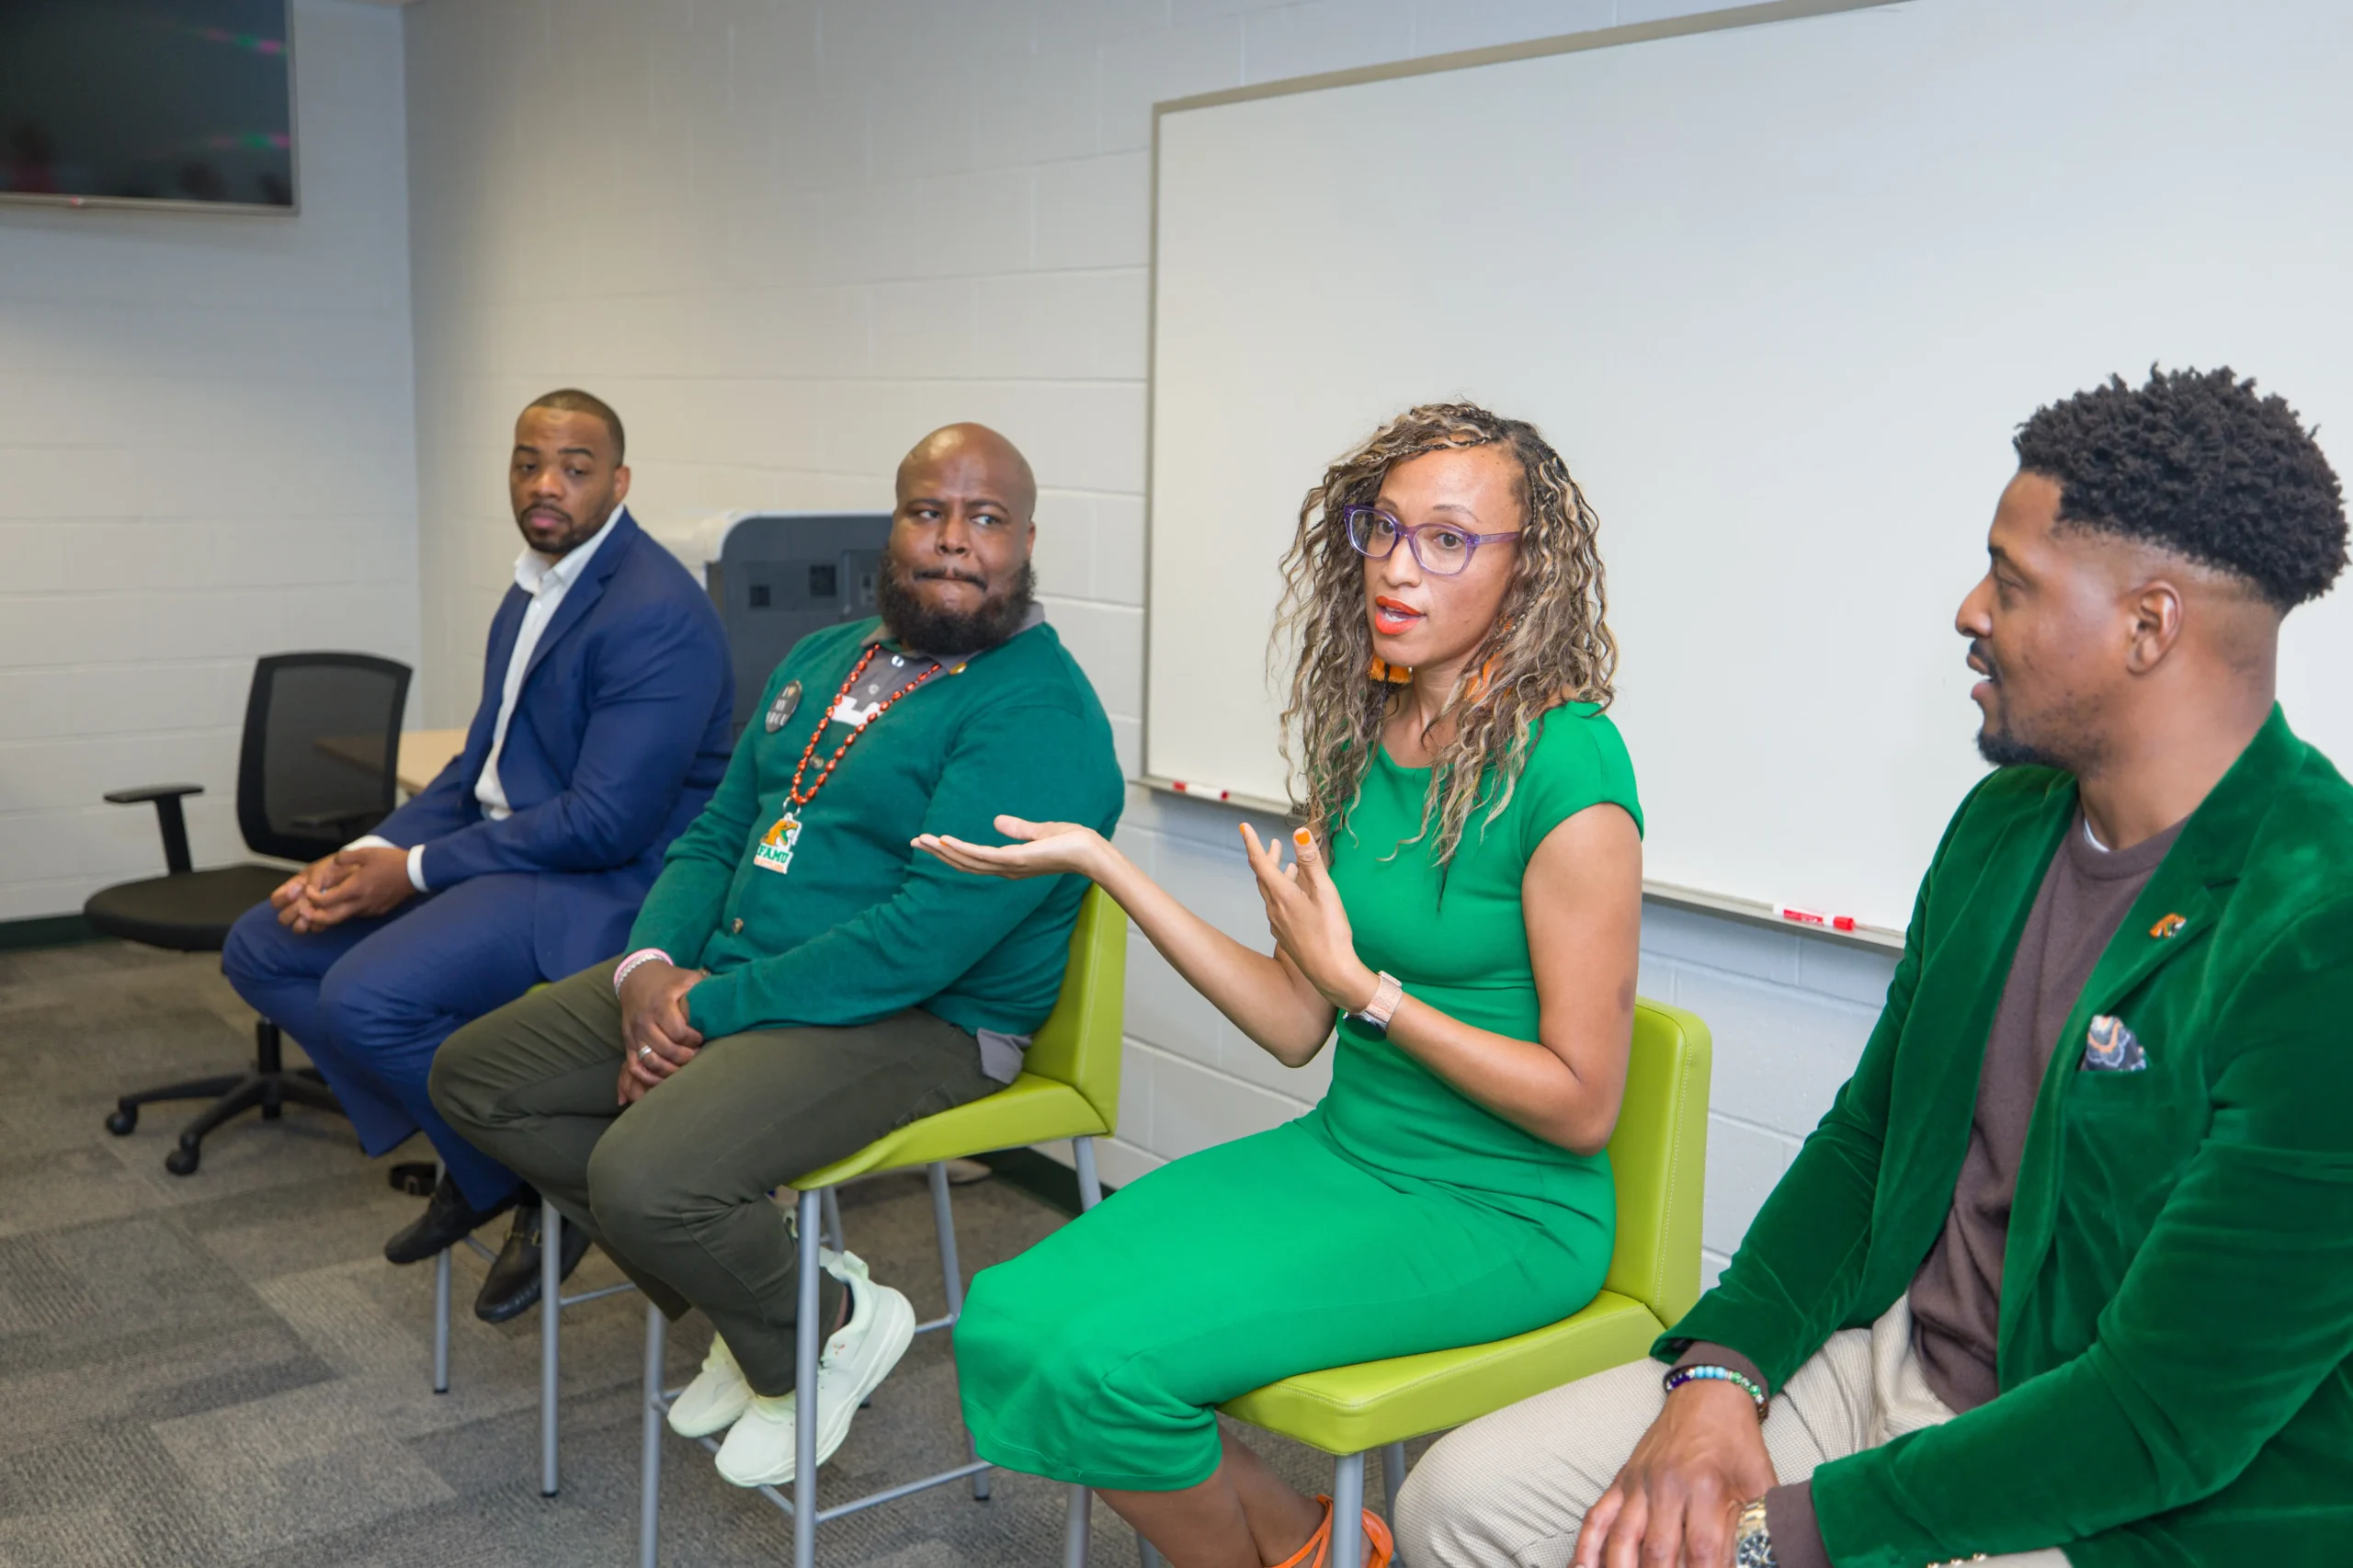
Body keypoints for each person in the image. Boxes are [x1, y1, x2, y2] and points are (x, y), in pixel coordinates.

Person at [1396, 367, 2353, 1568]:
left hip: (2121, 1495)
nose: (1969, 609)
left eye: (2010, 583)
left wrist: (1764, 1537)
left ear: (2147, 626)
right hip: (1891, 1365)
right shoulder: (2004, 826)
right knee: (1467, 1503)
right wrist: (1720, 1368)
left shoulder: (2320, 925)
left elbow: (2162, 1417)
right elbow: (1868, 1140)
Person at [921, 403, 1643, 1568]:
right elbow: (1294, 1020)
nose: (1398, 567)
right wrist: (1107, 865)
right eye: (1385, 529)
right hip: (1344, 1155)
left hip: (1501, 1209)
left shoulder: (1571, 766)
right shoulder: (1365, 739)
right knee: (1011, 1315)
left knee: (1108, 1360)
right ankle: (1320, 1547)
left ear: (1529, 570)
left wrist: (1370, 990)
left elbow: (1582, 1103)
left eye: (1449, 540)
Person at [428, 422, 1123, 1489]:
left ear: (1025, 541)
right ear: (891, 527)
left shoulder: (1036, 711)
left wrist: (708, 1009)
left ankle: (822, 1326)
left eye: (983, 520)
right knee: (478, 1077)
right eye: (927, 512)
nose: (951, 541)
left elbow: (918, 942)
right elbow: (721, 830)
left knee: (646, 1173)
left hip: (928, 1018)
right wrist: (649, 970)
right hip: (747, 973)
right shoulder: (825, 656)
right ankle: (776, 1291)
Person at [221, 389, 733, 1323]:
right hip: (513, 854)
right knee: (265, 944)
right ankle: (489, 1165)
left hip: (597, 887)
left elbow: (603, 824)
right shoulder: (534, 585)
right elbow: (479, 766)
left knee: (365, 996)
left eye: (574, 468)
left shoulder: (654, 612)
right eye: (527, 461)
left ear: (618, 482)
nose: (545, 484)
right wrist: (369, 848)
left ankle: (543, 1175)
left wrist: (412, 871)